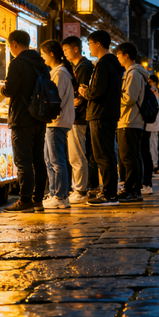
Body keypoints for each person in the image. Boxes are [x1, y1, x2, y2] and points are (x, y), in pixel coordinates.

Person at [0, 30, 47, 213]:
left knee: (23, 161)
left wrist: (1, 87)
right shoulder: (41, 63)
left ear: (14, 44)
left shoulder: (17, 63)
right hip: (39, 117)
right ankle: (37, 199)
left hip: (22, 118)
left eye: (9, 45)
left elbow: (11, 90)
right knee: (38, 160)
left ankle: (25, 201)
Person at [79, 30, 124, 206]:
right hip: (108, 113)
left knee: (103, 155)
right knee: (106, 154)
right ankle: (109, 192)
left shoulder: (104, 64)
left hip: (100, 114)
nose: (88, 47)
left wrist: (84, 92)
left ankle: (109, 194)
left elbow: (98, 91)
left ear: (98, 44)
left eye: (89, 44)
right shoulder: (113, 64)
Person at [38, 40, 76, 209]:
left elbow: (54, 98)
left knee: (56, 160)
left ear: (51, 54)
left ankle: (60, 196)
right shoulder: (59, 71)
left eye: (43, 53)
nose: (42, 57)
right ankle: (55, 194)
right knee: (50, 159)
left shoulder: (59, 72)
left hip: (57, 121)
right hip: (55, 122)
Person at [61, 36, 95, 204]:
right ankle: (80, 188)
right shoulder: (80, 67)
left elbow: (81, 96)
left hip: (79, 118)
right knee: (76, 154)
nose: (64, 53)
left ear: (75, 49)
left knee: (77, 154)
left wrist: (74, 105)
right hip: (77, 117)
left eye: (66, 50)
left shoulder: (83, 68)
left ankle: (80, 190)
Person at [115, 42, 149, 202]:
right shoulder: (132, 73)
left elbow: (129, 97)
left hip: (129, 119)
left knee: (129, 157)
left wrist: (115, 96)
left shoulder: (134, 74)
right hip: (130, 119)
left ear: (126, 55)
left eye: (118, 54)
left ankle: (132, 189)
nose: (117, 57)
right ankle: (133, 189)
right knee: (133, 156)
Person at [141, 75, 159, 195]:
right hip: (148, 124)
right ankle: (146, 183)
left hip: (144, 124)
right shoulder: (150, 91)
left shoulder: (147, 91)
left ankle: (145, 183)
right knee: (145, 151)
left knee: (144, 151)